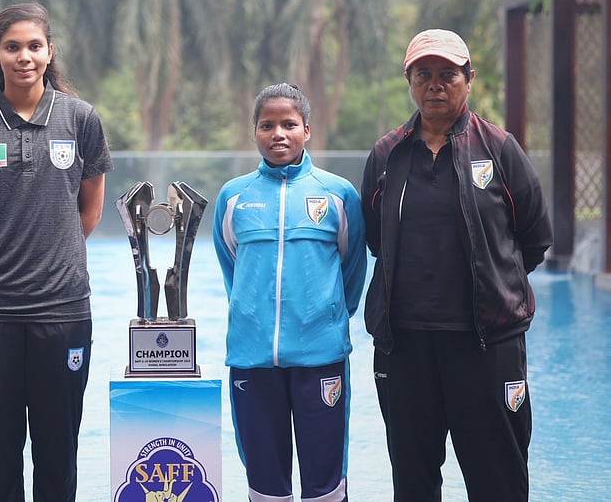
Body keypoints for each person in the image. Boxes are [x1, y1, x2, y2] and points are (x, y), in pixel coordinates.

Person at [361, 29, 553, 502]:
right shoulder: (387, 154)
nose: (435, 85)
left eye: (448, 74)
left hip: (486, 345)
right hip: (404, 347)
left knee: (498, 480)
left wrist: (495, 286)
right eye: (423, 75)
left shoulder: (499, 149)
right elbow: (374, 237)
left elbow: (535, 238)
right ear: (409, 81)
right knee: (413, 478)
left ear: (469, 79)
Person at [0, 3, 112, 502]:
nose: (24, 57)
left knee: (58, 447)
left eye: (34, 46)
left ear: (49, 51)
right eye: (12, 47)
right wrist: (5, 256)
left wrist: (50, 256)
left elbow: (89, 210)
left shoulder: (80, 119)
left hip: (62, 309)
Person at [212, 83, 366, 502]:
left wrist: (328, 316)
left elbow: (352, 269)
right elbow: (232, 268)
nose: (278, 133)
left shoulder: (338, 194)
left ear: (307, 130)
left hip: (321, 357)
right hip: (252, 357)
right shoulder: (233, 197)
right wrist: (251, 314)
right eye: (267, 125)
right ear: (255, 132)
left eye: (288, 124)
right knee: (264, 482)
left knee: (325, 483)